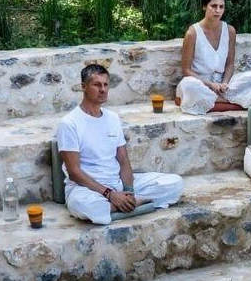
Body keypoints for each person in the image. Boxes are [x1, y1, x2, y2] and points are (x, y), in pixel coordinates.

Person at [56, 64, 184, 225]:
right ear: (84, 87)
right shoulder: (69, 123)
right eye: (97, 85)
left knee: (175, 183)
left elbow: (123, 160)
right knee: (85, 206)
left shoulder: (112, 118)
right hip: (87, 189)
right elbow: (74, 172)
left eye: (106, 84)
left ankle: (126, 204)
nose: (103, 89)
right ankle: (138, 204)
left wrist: (128, 192)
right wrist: (110, 194)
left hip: (117, 183)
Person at [176, 0, 251, 115]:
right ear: (204, 6)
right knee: (188, 85)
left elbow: (229, 64)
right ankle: (233, 104)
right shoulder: (192, 33)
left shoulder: (230, 31)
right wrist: (210, 85)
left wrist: (225, 83)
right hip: (201, 84)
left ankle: (207, 104)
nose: (218, 10)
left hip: (222, 86)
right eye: (213, 6)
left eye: (221, 7)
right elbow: (186, 70)